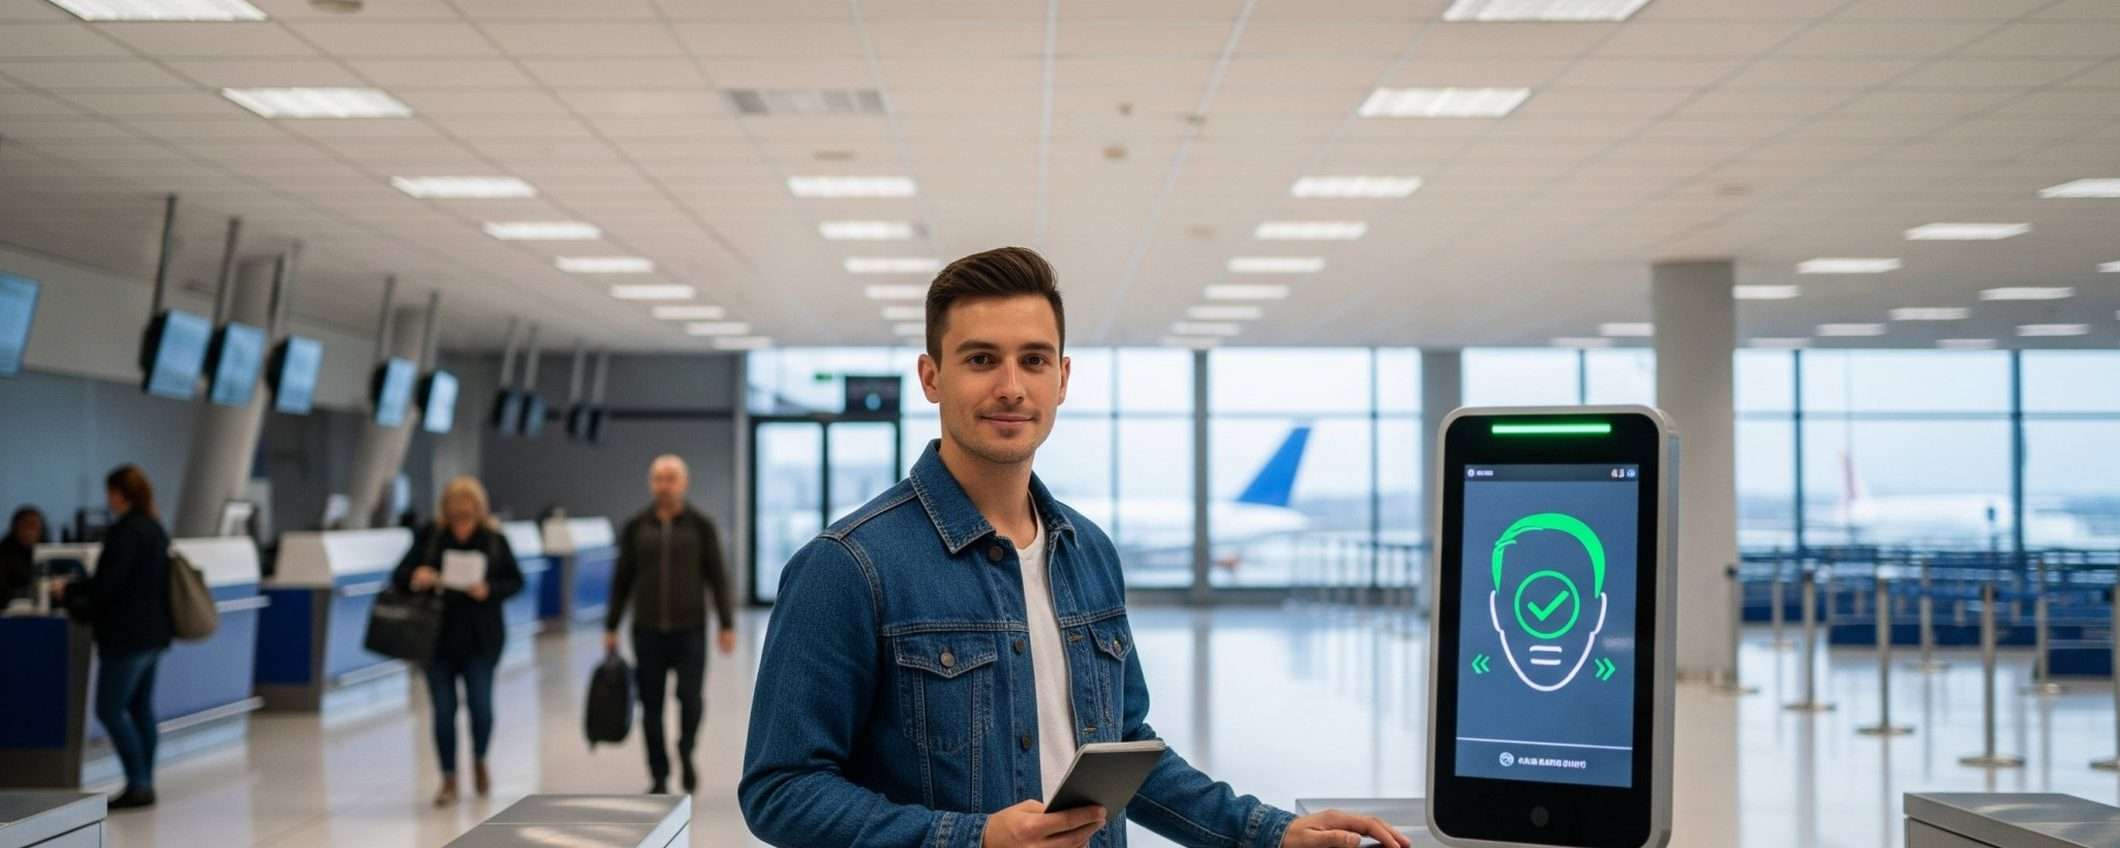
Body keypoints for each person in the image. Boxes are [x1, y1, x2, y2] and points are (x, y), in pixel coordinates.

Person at [738, 248, 1409, 848]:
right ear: (932, 377)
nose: (1011, 386)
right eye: (981, 359)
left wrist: (1268, 831)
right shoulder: (848, 566)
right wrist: (973, 840)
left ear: (1061, 378)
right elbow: (781, 790)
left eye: (1033, 360)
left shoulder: (1089, 553)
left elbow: (1125, 752)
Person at [604, 454, 737, 795]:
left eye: (671, 478)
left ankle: (686, 749)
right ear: (651, 484)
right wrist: (611, 625)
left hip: (690, 629)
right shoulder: (636, 526)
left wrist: (726, 623)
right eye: (659, 478)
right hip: (647, 630)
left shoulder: (701, 526)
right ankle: (659, 774)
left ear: (684, 483)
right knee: (651, 705)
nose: (665, 485)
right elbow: (622, 579)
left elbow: (717, 577)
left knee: (691, 699)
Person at [392, 476, 524, 807]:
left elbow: (515, 580)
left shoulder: (494, 540)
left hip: (481, 639)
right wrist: (417, 576)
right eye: (456, 514)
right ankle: (448, 776)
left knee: (481, 706)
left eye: (467, 514)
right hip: (436, 639)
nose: (461, 520)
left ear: (478, 510)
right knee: (443, 711)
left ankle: (480, 758)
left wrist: (489, 590)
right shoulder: (431, 538)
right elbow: (399, 575)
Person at [56, 467, 172, 810]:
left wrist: (70, 591)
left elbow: (108, 585)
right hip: (154, 633)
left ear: (121, 493)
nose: (108, 499)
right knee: (139, 709)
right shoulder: (154, 528)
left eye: (110, 492)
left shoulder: (125, 532)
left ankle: (139, 783)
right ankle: (145, 781)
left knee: (109, 708)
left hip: (126, 635)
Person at [1, 506, 44, 603]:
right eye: (25, 526)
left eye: (34, 527)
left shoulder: (45, 551)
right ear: (15, 527)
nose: (29, 532)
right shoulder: (4, 553)